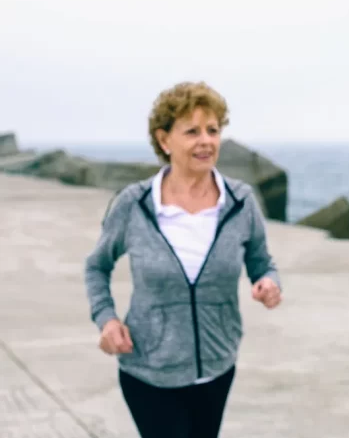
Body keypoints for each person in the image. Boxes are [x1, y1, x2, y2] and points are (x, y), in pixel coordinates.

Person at [84, 81, 283, 438]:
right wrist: (106, 319)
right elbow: (97, 266)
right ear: (164, 140)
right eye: (192, 131)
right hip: (149, 371)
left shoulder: (240, 202)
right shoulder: (134, 204)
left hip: (218, 366)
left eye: (213, 130)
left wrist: (269, 282)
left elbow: (261, 261)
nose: (206, 141)